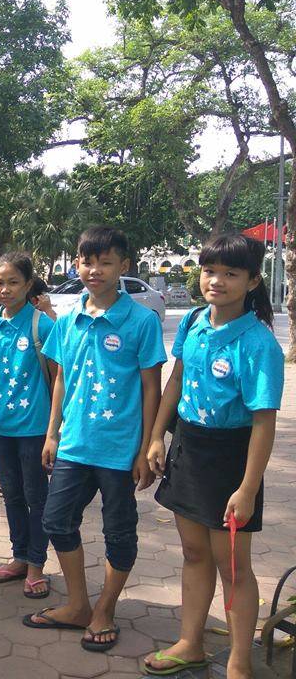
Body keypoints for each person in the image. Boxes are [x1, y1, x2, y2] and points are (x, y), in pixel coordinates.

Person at [143, 234, 283, 678]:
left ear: (253, 280)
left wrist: (247, 488)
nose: (216, 281)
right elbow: (175, 380)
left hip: (231, 460)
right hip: (188, 448)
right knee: (193, 552)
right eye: (209, 271)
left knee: (233, 566)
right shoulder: (194, 321)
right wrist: (157, 437)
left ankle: (240, 660)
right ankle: (190, 643)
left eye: (230, 273)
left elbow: (263, 423)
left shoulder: (258, 344)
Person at [23, 227, 166, 653]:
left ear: (124, 266)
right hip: (74, 444)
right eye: (87, 262)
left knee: (118, 531)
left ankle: (105, 609)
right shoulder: (68, 320)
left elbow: (151, 388)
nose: (95, 270)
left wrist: (147, 446)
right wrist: (52, 434)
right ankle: (78, 605)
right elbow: (61, 379)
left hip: (120, 450)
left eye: (105, 262)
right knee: (56, 521)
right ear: (76, 264)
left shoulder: (141, 321)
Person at [0, 252, 56, 599]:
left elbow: (57, 380)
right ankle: (19, 557)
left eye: (13, 282)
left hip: (35, 428)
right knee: (11, 493)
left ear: (28, 285)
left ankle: (37, 565)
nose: (5, 289)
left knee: (36, 497)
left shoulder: (43, 325)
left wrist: (55, 430)